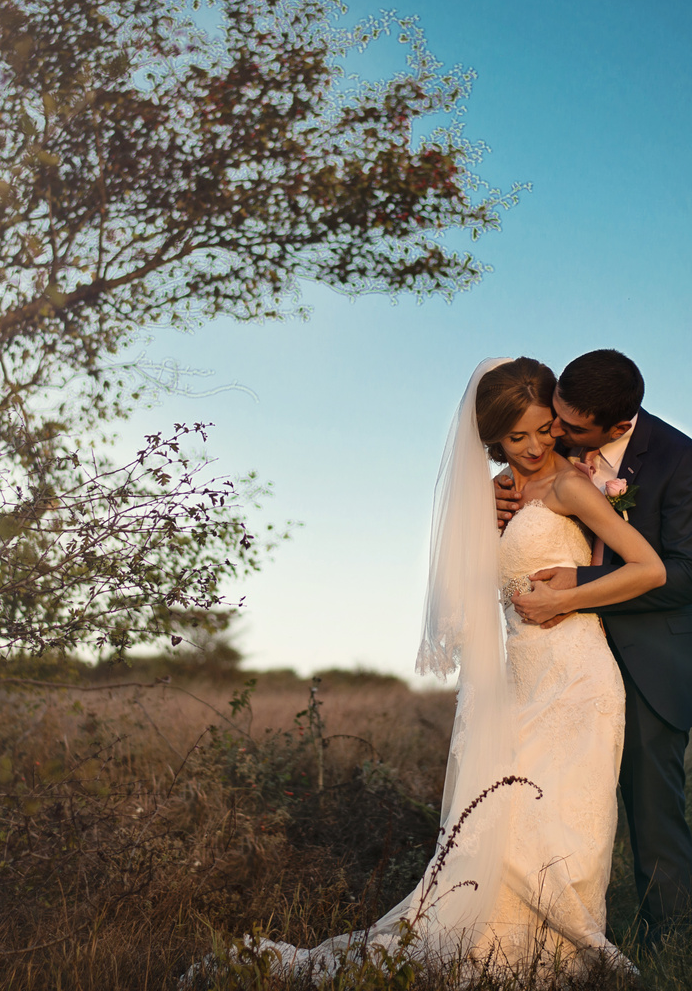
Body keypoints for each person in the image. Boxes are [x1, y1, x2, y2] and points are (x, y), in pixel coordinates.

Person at [216, 357, 665, 982]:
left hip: (579, 678)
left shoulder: (570, 486)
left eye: (544, 430)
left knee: (561, 829)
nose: (535, 447)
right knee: (498, 820)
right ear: (492, 441)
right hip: (520, 679)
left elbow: (650, 569)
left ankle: (557, 959)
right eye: (517, 438)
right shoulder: (498, 494)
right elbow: (476, 588)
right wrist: (487, 516)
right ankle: (490, 954)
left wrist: (567, 595)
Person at [497, 349, 692, 950]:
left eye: (570, 427)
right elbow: (531, 475)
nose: (556, 434)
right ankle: (550, 935)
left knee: (652, 813)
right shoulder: (554, 447)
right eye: (554, 419)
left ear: (619, 426)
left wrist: (579, 588)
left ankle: (667, 946)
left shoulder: (682, 460)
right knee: (549, 801)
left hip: (650, 663)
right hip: (560, 659)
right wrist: (505, 496)